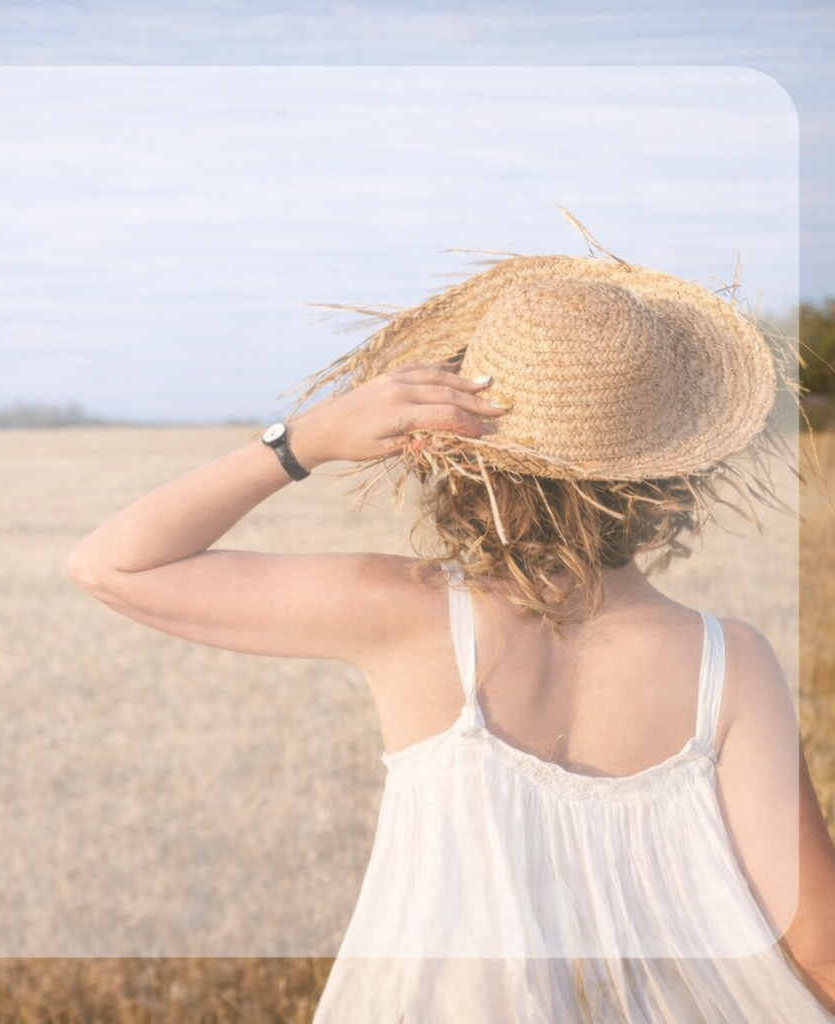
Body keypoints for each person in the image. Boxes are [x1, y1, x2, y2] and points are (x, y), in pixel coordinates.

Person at [66, 217, 835, 1020]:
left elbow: (110, 564)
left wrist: (308, 439)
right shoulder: (730, 663)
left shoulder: (407, 615)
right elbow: (818, 945)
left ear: (450, 453)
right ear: (671, 468)